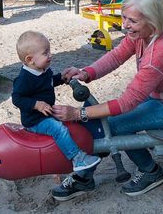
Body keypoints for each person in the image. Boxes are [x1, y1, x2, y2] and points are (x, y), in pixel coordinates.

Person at [51, 0, 163, 201]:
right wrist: (86, 72)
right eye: (123, 17)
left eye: (132, 20)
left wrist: (78, 113)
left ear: (152, 21)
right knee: (104, 121)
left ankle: (150, 171)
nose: (125, 24)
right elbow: (117, 56)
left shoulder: (161, 50)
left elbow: (128, 102)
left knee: (116, 125)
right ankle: (84, 176)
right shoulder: (143, 33)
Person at [12, 31, 101, 174]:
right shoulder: (24, 79)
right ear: (30, 60)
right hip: (35, 120)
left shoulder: (42, 70)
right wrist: (36, 104)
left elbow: (48, 82)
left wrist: (62, 78)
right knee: (58, 129)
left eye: (49, 51)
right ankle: (77, 158)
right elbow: (17, 98)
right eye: (45, 53)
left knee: (71, 120)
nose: (50, 55)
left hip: (47, 113)